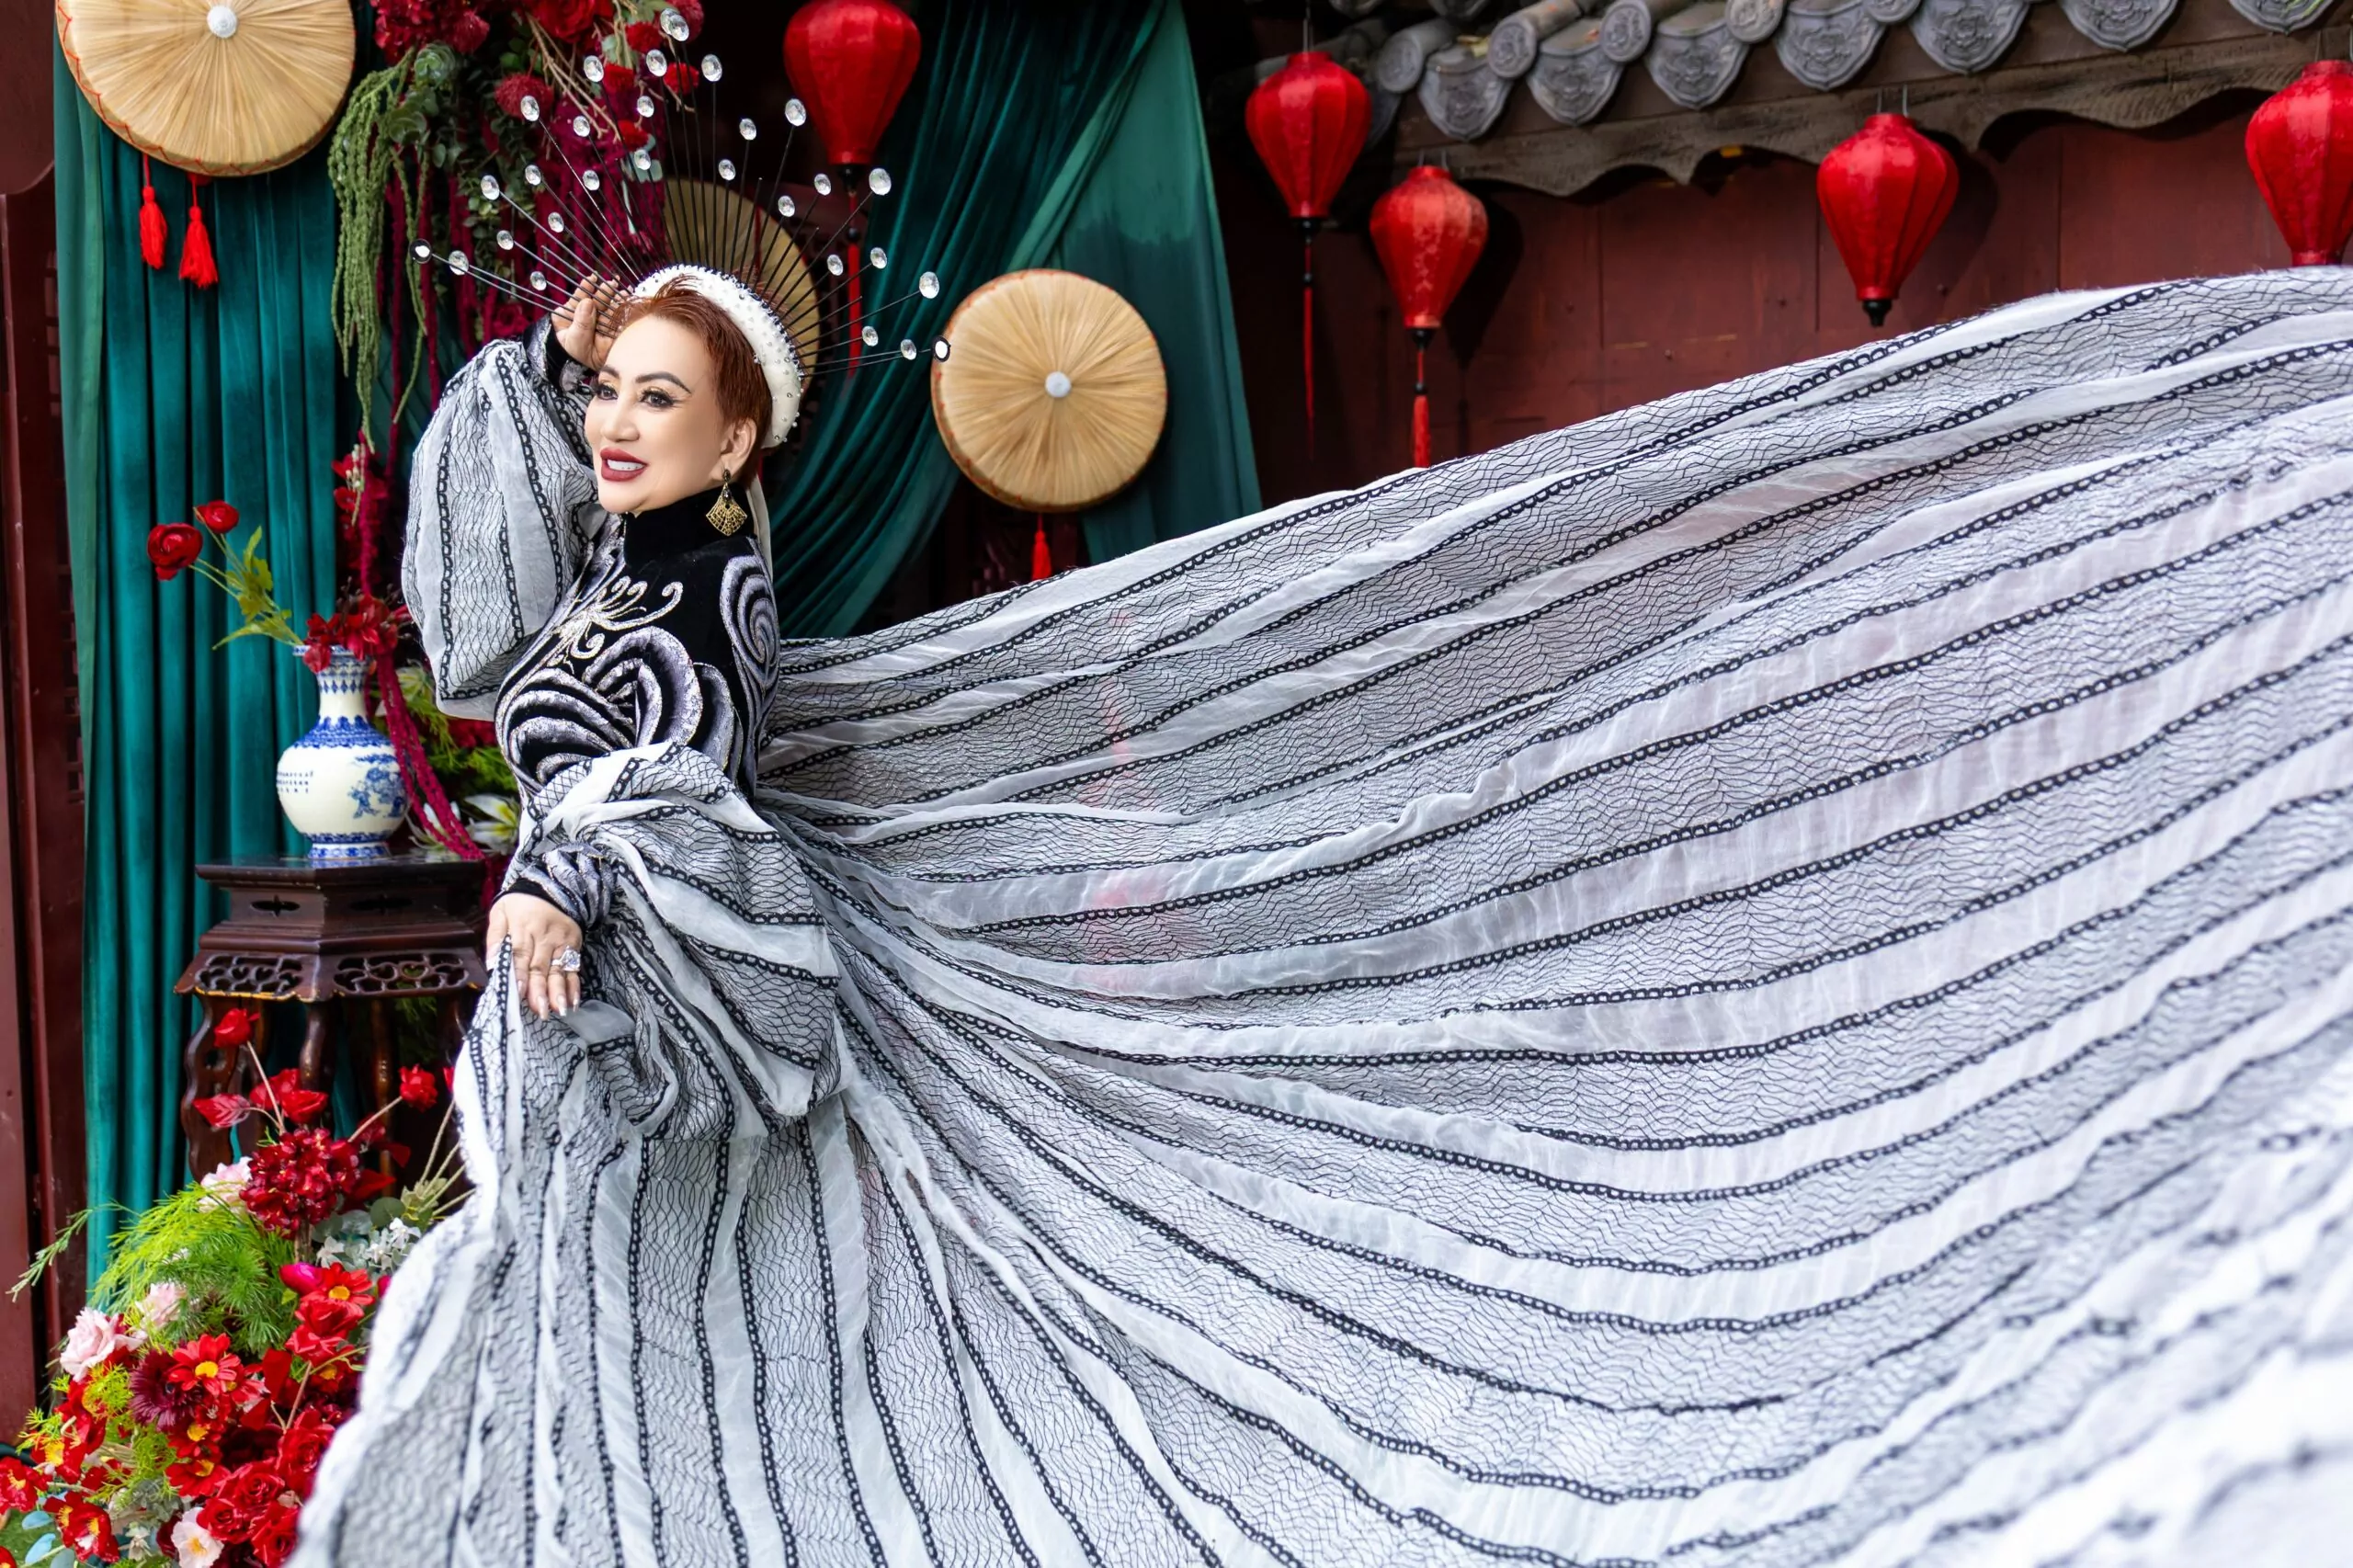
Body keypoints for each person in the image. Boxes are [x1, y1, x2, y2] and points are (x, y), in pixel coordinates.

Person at [296, 266, 2353, 1567]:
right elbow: (479, 626)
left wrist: (554, 871)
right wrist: (546, 359)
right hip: (606, 1009)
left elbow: (678, 752)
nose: (619, 427)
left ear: (740, 440)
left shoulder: (699, 593)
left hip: (653, 997)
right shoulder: (608, 564)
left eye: (660, 399)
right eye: (615, 398)